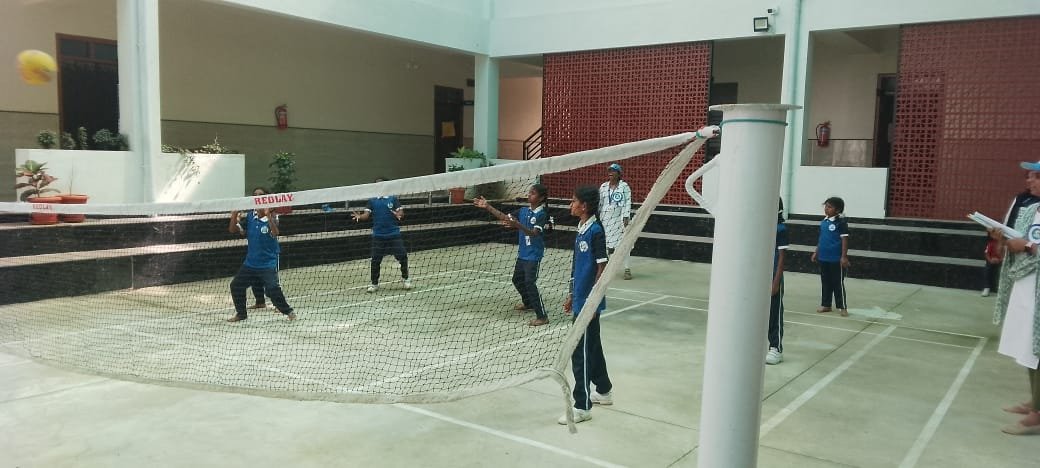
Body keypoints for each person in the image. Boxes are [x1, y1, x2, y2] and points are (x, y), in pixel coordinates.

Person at [991, 160, 1040, 436]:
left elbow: (1029, 244)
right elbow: (1017, 240)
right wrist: (1002, 239)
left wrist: (1029, 246)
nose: (1029, 181)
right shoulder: (1032, 210)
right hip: (1026, 284)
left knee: (1038, 347)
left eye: (1036, 177)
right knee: (1027, 346)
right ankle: (1036, 401)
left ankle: (1037, 415)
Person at [558, 186, 613, 425]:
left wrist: (592, 301)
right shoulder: (581, 229)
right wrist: (572, 294)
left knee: (579, 353)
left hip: (589, 303)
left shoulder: (596, 231)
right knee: (593, 347)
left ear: (584, 206)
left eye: (573, 201)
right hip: (580, 299)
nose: (570, 205)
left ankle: (582, 406)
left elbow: (602, 268)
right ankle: (604, 390)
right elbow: (576, 266)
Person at [474, 184, 552, 327]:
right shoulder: (523, 211)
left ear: (541, 198)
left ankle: (542, 316)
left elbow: (533, 233)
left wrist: (517, 225)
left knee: (530, 283)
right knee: (517, 279)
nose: (529, 194)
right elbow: (505, 217)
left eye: (533, 193)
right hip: (523, 254)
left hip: (533, 255)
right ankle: (528, 303)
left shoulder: (541, 214)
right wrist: (487, 206)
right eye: (529, 192)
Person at [227, 206, 295, 322]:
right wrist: (234, 215)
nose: (258, 206)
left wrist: (268, 216)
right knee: (236, 285)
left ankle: (288, 311)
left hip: (267, 263)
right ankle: (241, 314)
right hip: (250, 263)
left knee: (272, 289)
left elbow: (275, 232)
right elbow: (233, 230)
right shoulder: (250, 216)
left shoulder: (273, 217)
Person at [352, 178, 412, 293]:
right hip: (378, 236)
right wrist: (360, 216)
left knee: (403, 256)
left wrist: (398, 214)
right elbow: (366, 215)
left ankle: (406, 279)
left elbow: (401, 213)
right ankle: (374, 284)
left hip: (394, 234)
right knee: (375, 260)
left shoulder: (393, 198)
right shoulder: (372, 200)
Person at [812, 196, 850, 317]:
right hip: (824, 257)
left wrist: (843, 257)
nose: (826, 209)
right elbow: (821, 238)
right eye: (826, 206)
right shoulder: (824, 222)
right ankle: (826, 304)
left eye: (830, 207)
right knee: (825, 282)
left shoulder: (841, 223)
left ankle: (842, 306)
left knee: (837, 283)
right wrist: (816, 252)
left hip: (836, 259)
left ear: (837, 210)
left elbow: (844, 240)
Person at [599, 163, 633, 280]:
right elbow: (600, 203)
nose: (610, 173)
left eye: (613, 171)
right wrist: (598, 217)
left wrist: (626, 217)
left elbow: (627, 202)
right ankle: (607, 269)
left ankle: (627, 269)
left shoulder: (624, 186)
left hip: (619, 219)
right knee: (606, 244)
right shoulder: (603, 186)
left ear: (619, 174)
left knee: (624, 244)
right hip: (605, 219)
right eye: (609, 171)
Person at [766, 199, 789, 365]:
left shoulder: (780, 229)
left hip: (773, 275)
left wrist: (776, 281)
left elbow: (782, 258)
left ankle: (776, 348)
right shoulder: (760, 227)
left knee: (774, 313)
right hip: (757, 276)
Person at [245, 186, 271, 310]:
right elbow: (242, 230)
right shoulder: (250, 215)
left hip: (268, 255)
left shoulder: (271, 213)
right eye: (255, 195)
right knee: (255, 279)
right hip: (253, 253)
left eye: (260, 195)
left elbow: (275, 231)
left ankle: (278, 303)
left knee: (271, 282)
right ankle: (260, 302)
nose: (257, 197)